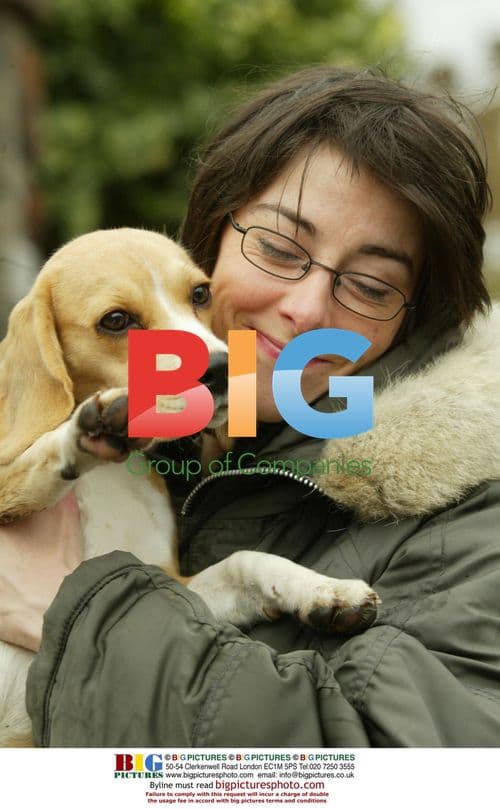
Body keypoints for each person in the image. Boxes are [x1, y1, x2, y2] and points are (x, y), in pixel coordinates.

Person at [1, 65, 500, 747]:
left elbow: (403, 772)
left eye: (371, 285)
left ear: (415, 320)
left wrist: (82, 621)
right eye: (277, 246)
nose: (306, 309)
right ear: (211, 236)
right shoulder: (117, 421)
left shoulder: (475, 524)